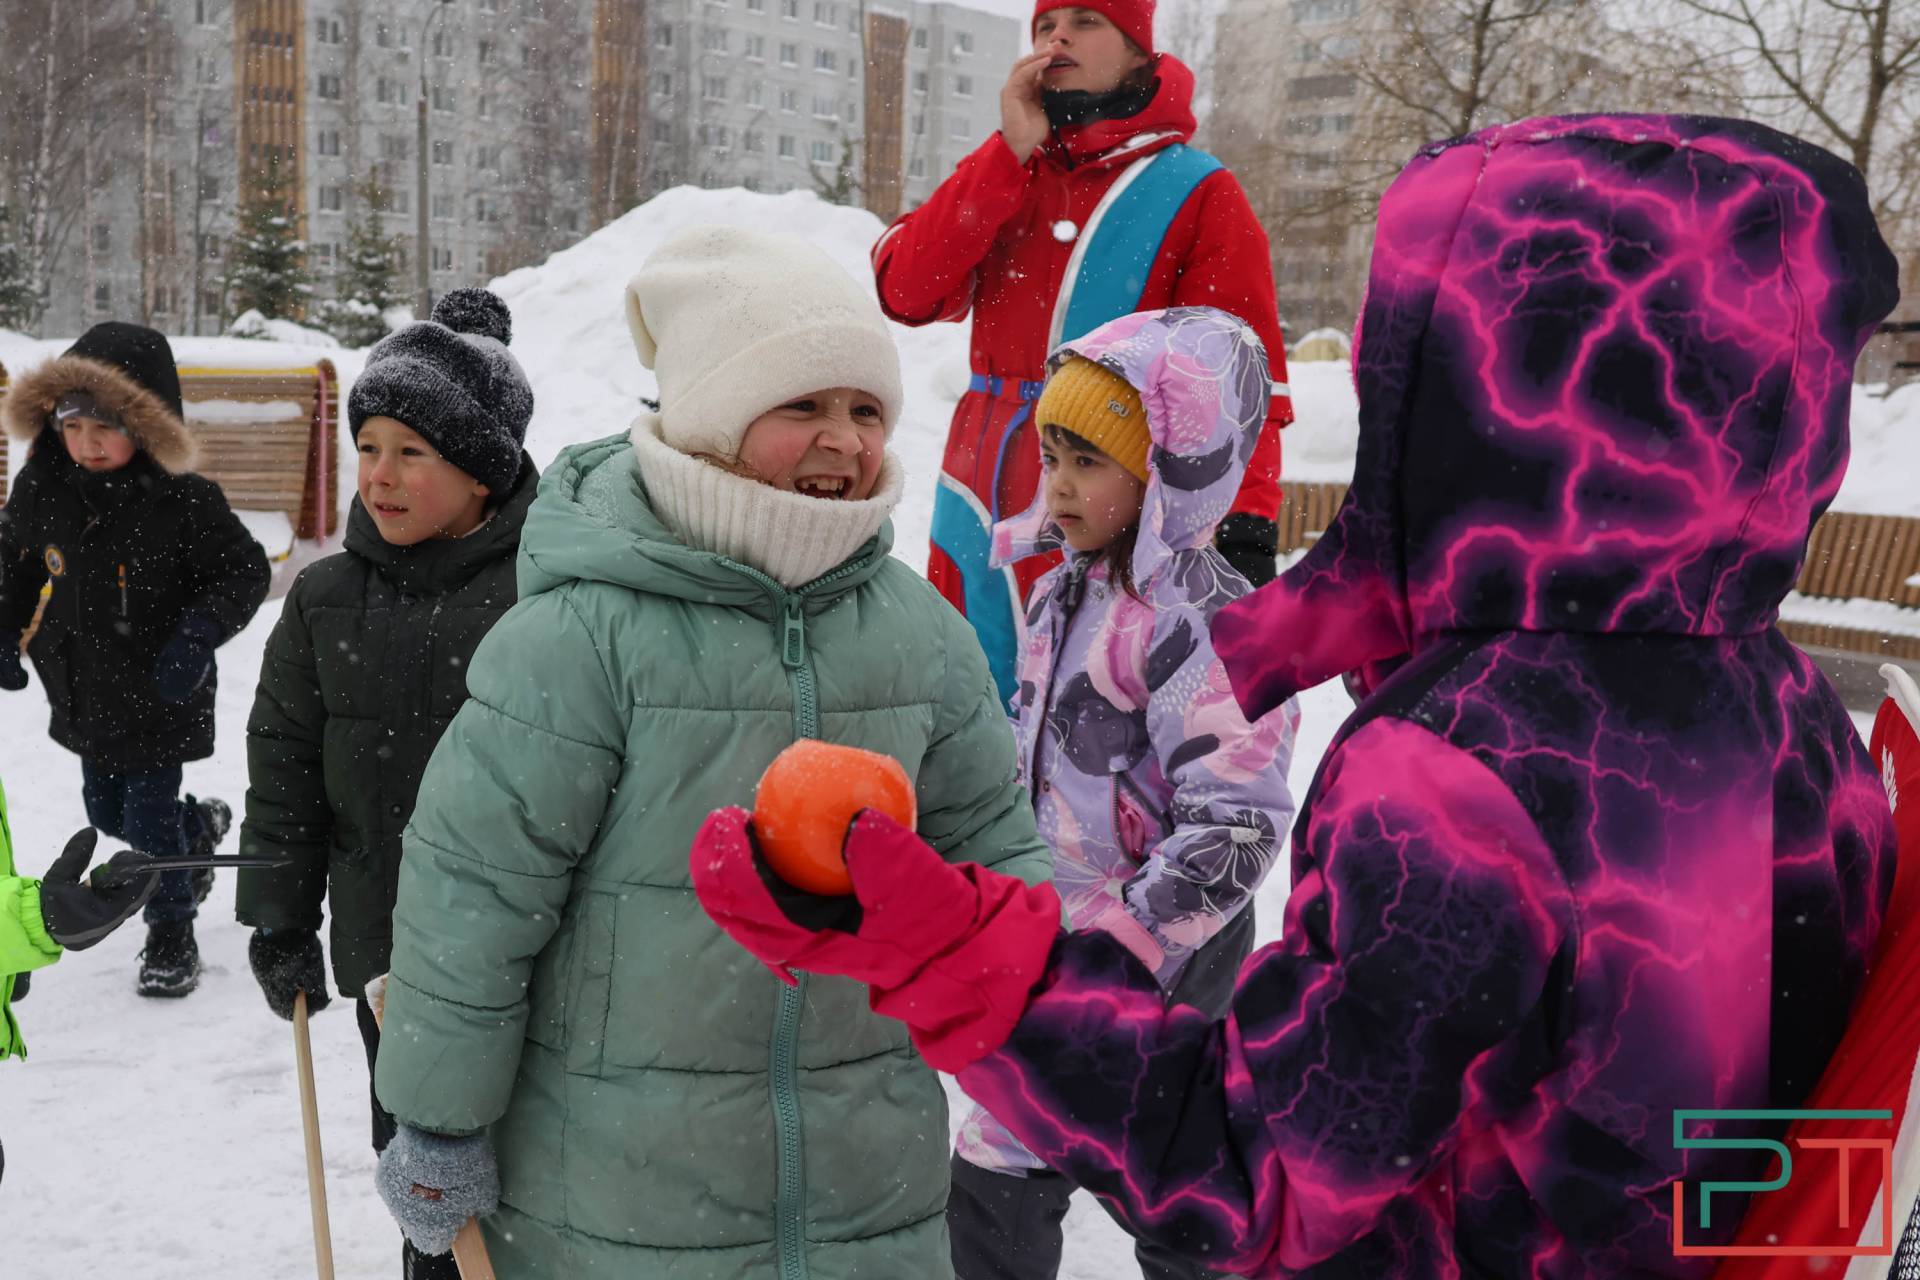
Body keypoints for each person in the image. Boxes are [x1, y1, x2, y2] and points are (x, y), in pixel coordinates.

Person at [692, 114, 1904, 1276]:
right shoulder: (1796, 718)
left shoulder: (1461, 765)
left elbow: (1259, 1170)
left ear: (1482, 398)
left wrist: (959, 951)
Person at [368, 226, 1053, 1278]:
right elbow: (473, 892)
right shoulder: (585, 636)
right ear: (710, 417)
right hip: (615, 1195)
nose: (843, 440)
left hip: (867, 1187)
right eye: (802, 406)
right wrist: (438, 1117)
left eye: (866, 409)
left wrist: (1053, 1024)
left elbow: (999, 858)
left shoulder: (920, 636)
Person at [945, 305, 1300, 1280]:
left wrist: (1129, 943)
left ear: (1172, 474)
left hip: (1168, 953)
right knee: (998, 1164)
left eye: (1087, 463)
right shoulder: (1067, 594)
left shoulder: (1204, 622)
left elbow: (1238, 815)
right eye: (1051, 456)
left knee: (1170, 1180)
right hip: (1061, 939)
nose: (1056, 484)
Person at [233, 289, 536, 1280]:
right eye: (368, 446)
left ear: (484, 472)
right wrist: (279, 915)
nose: (380, 474)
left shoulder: (549, 591)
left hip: (530, 961)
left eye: (414, 451)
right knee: (426, 1185)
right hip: (386, 960)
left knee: (537, 1185)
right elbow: (283, 765)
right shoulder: (324, 599)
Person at [872, 0, 1294, 705]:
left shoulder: (1200, 191)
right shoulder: (1009, 169)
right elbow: (908, 291)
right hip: (978, 490)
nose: (1057, 35)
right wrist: (1004, 154)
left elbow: (1245, 388)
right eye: (1045, 23)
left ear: (1139, 50)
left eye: (1086, 20)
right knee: (958, 709)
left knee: (1089, 728)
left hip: (1117, 493)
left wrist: (1245, 525)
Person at [0, 322, 269, 998]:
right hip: (85, 689)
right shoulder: (45, 487)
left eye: (106, 427)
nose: (85, 444)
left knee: (145, 828)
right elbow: (15, 564)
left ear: (147, 425)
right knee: (107, 814)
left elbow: (242, 572)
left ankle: (171, 928)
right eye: (71, 424)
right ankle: (196, 831)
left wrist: (196, 636)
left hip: (159, 690)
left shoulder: (184, 501)